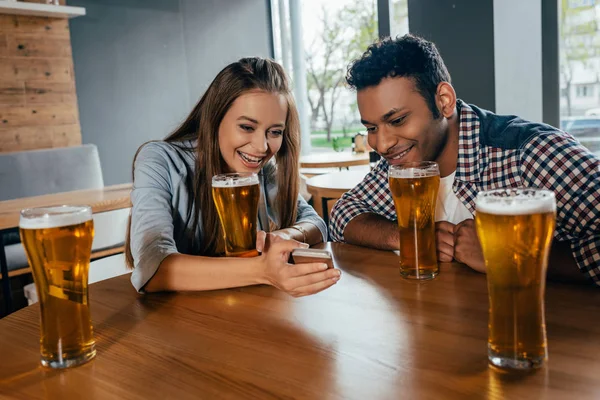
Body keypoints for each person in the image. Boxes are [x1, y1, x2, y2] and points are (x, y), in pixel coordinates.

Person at [329, 35, 600, 285]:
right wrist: (410, 236)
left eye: (398, 120)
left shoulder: (531, 152)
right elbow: (343, 214)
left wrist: (509, 253)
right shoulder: (402, 166)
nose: (383, 144)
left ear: (444, 101)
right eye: (372, 128)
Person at [126, 57, 341, 296]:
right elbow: (153, 269)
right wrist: (262, 270)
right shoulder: (159, 159)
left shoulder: (261, 170)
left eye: (275, 132)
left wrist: (283, 236)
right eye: (247, 127)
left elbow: (316, 223)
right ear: (214, 118)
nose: (261, 147)